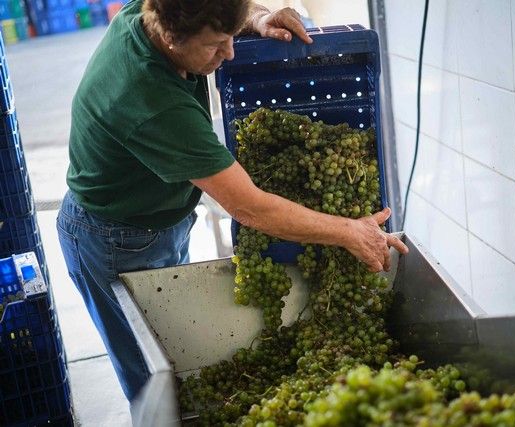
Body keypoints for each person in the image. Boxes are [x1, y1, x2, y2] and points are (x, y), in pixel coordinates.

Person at [56, 0, 409, 402]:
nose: (229, 53)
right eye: (215, 45)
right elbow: (250, 207)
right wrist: (348, 230)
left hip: (159, 218)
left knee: (172, 346)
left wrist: (256, 19)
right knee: (155, 385)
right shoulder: (151, 101)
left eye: (230, 37)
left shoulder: (155, 10)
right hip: (111, 238)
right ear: (171, 37)